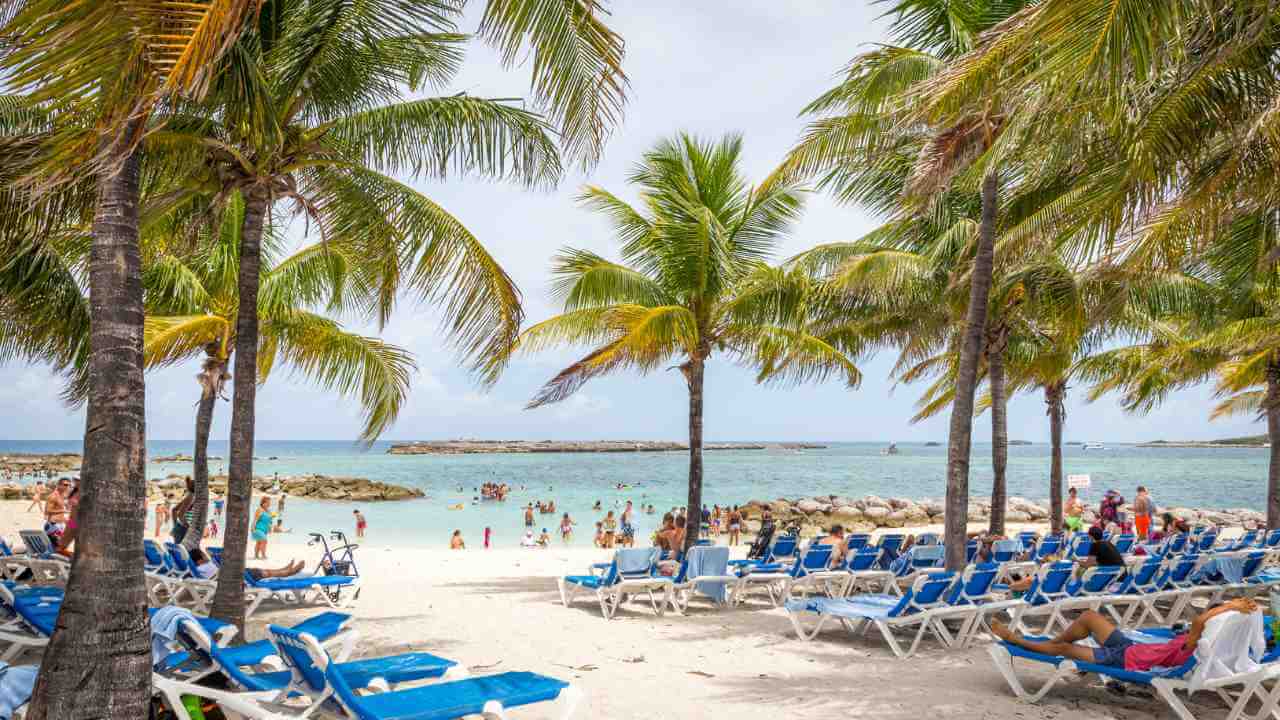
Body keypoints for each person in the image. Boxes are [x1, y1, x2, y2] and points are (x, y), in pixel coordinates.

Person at [992, 598, 1259, 672]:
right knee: (1089, 616)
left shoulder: (1196, 645)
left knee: (1065, 651)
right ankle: (1050, 644)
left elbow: (1200, 620)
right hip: (1131, 647)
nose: (1194, 625)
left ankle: (1019, 641)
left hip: (1125, 660)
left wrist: (1230, 606)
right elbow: (1201, 622)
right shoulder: (1197, 640)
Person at [43, 477, 70, 543]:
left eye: (69, 485)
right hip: (53, 525)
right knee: (55, 547)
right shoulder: (53, 496)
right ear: (59, 485)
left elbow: (61, 512)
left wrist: (71, 524)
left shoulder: (62, 495)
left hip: (61, 524)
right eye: (65, 485)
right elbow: (47, 511)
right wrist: (64, 511)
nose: (67, 487)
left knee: (61, 546)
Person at [171, 476, 196, 544]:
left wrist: (175, 525)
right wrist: (188, 527)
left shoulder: (190, 496)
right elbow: (180, 515)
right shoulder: (191, 497)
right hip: (183, 530)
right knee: (183, 552)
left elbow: (174, 510)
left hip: (180, 528)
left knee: (180, 551)